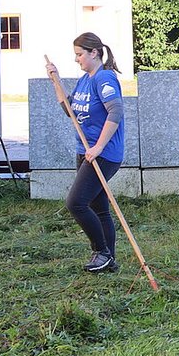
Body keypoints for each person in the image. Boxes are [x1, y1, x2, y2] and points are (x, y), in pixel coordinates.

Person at [45, 33, 126, 273]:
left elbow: (116, 111)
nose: (76, 59)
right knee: (98, 207)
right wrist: (56, 80)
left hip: (103, 153)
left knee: (76, 203)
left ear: (94, 53)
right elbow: (70, 110)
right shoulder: (85, 79)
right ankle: (109, 260)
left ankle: (101, 252)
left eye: (80, 54)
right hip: (85, 151)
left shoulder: (104, 78)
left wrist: (98, 147)